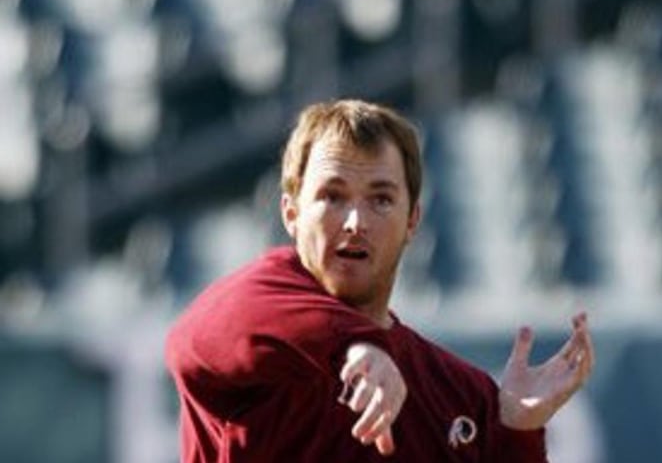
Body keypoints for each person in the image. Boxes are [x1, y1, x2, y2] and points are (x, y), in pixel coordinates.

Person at [166, 99, 594, 462]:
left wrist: (515, 430)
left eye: (381, 199)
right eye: (332, 196)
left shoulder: (461, 396)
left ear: (412, 221)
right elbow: (192, 338)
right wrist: (355, 345)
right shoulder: (251, 318)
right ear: (291, 213)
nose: (355, 222)